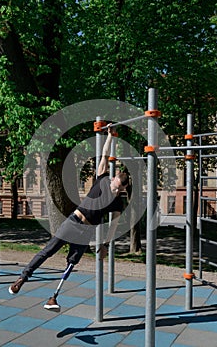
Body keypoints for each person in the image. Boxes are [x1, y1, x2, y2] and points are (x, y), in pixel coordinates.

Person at [8, 124, 129, 305]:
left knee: (72, 261)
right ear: (113, 178)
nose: (114, 188)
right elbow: (104, 155)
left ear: (123, 189)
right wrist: (110, 136)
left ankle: (53, 298)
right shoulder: (102, 178)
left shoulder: (118, 202)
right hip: (73, 222)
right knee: (48, 251)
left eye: (118, 188)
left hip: (86, 232)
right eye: (114, 184)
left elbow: (113, 225)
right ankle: (22, 279)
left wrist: (106, 245)